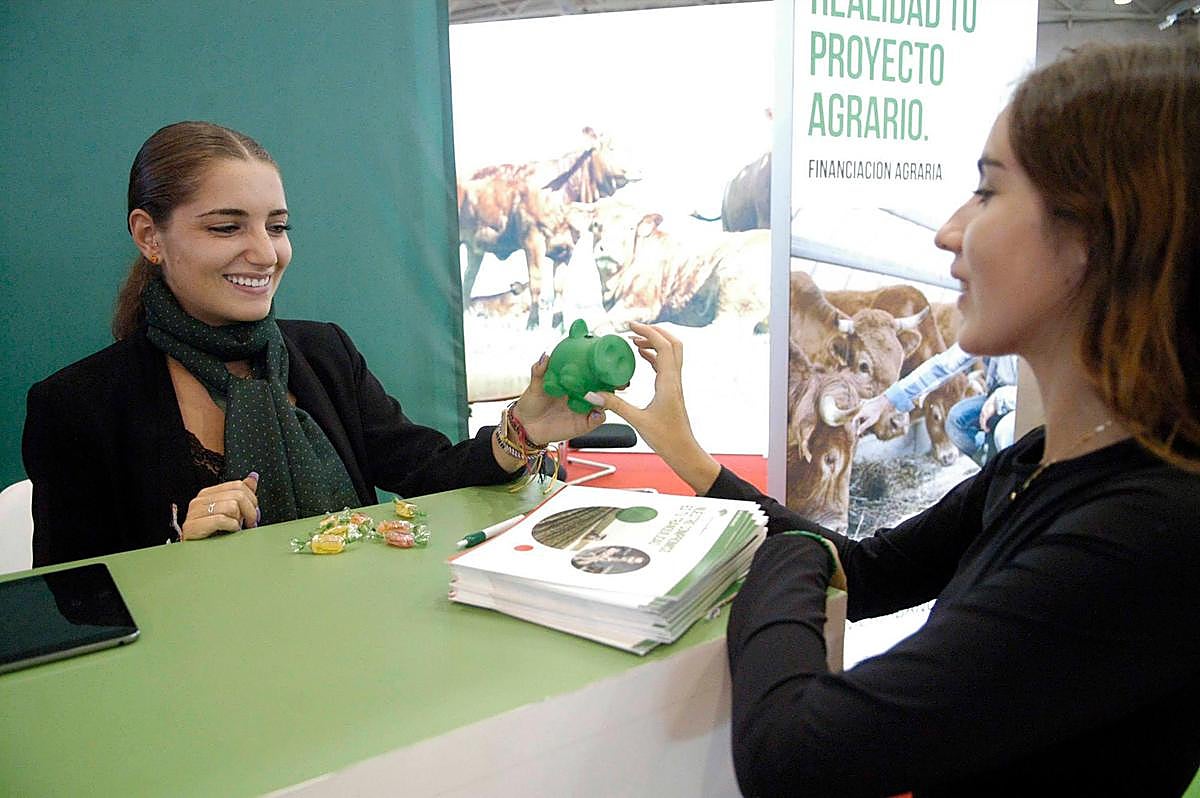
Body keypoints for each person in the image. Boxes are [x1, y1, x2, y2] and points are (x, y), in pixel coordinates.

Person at [587, 41, 1200, 796]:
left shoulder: (1147, 533)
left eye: (987, 191)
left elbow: (795, 755)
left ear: (1093, 235)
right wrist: (695, 463)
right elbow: (869, 572)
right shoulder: (1042, 464)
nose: (948, 231)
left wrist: (783, 560)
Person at [23, 121, 601, 567]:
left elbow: (428, 471)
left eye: (276, 226)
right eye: (227, 227)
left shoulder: (325, 354)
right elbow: (72, 605)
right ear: (150, 235)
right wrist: (176, 554)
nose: (265, 252)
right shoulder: (76, 404)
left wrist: (525, 428)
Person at [853, 343, 1020, 464]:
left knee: (1005, 430)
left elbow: (1045, 391)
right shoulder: (994, 324)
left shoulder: (1038, 319)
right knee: (958, 418)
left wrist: (1002, 399)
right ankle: (994, 472)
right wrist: (885, 400)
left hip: (1028, 405)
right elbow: (944, 365)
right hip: (998, 395)